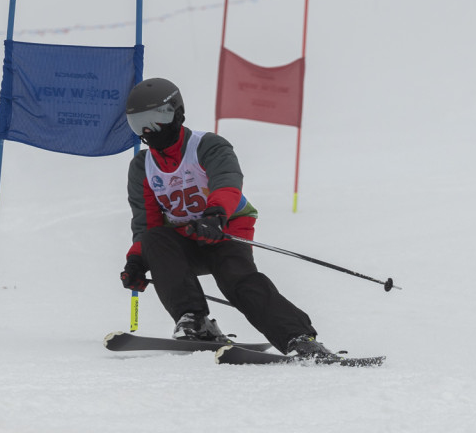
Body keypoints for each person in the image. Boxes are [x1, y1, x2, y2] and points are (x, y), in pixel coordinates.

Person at [118, 77, 332, 359]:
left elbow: (227, 182)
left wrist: (215, 215)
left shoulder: (207, 145)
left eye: (156, 120)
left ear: (177, 113)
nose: (148, 131)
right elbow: (146, 222)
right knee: (154, 239)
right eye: (139, 124)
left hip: (225, 230)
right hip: (183, 241)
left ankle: (299, 338)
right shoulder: (142, 166)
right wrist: (136, 260)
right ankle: (194, 321)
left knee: (236, 280)